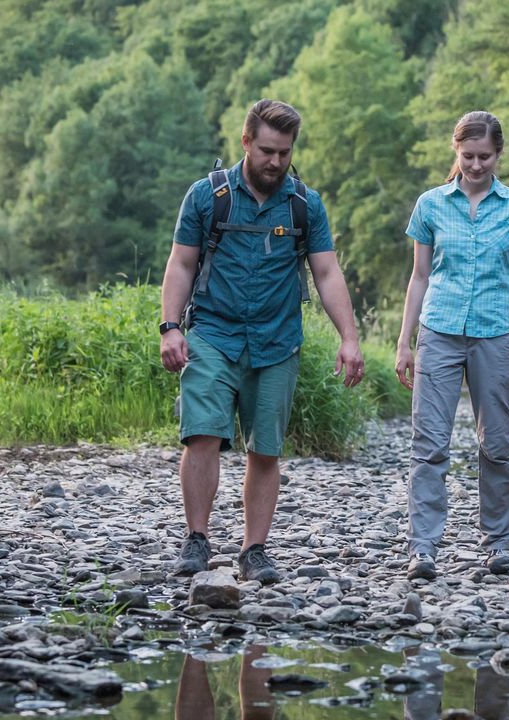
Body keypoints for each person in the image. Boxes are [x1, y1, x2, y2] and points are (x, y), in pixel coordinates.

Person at [160, 99, 364, 584]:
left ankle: (254, 550)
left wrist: (350, 338)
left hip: (277, 342)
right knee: (202, 433)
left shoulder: (303, 205)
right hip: (212, 333)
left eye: (285, 152)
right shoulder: (207, 197)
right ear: (246, 142)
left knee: (266, 449)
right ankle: (197, 539)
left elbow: (327, 272)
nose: (276, 161)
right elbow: (181, 264)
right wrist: (170, 327)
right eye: (268, 150)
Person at [394, 110, 509, 581]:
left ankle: (500, 543)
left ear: (499, 154)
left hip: (494, 334)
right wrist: (404, 343)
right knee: (429, 444)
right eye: (468, 157)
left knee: (497, 445)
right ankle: (423, 548)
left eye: (484, 157)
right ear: (455, 152)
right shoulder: (431, 205)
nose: (476, 165)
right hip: (438, 332)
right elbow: (419, 278)